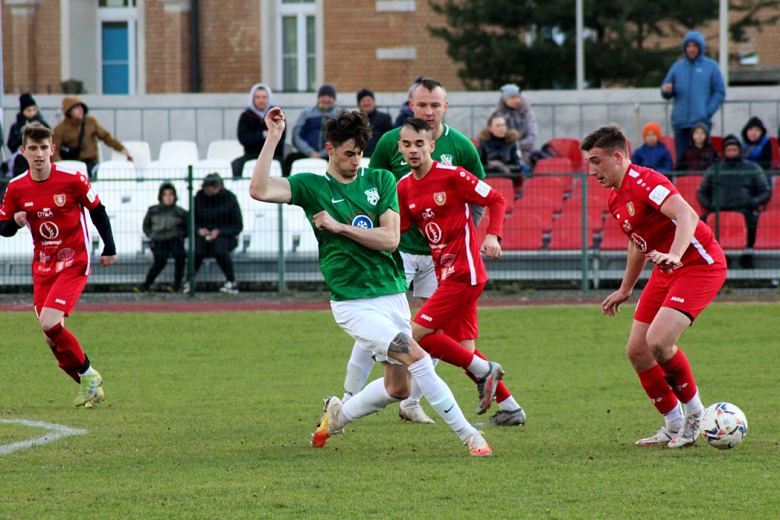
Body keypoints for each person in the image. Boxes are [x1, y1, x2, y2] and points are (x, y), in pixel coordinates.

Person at [250, 107, 493, 456]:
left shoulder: (380, 180)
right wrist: (274, 136)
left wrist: (339, 227)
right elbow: (258, 189)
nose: (355, 161)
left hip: (392, 295)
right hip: (353, 303)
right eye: (349, 153)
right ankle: (471, 438)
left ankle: (336, 417)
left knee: (399, 389)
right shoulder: (311, 185)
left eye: (360, 153)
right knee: (418, 357)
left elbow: (390, 239)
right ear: (330, 149)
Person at [343, 78, 487, 424]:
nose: (429, 111)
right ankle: (348, 396)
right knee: (378, 320)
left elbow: (480, 200)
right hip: (399, 251)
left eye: (435, 105)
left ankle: (413, 400)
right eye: (422, 105)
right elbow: (372, 192)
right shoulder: (391, 142)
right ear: (411, 105)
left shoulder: (462, 147)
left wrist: (459, 239)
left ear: (445, 107)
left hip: (442, 258)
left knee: (431, 329)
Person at [582, 124, 727, 448]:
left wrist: (675, 253)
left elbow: (687, 215)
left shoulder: (646, 181)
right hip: (666, 270)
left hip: (699, 266)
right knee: (637, 350)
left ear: (618, 157)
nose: (591, 171)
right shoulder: (615, 198)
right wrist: (625, 288)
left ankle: (694, 416)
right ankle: (672, 422)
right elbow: (638, 243)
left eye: (596, 161)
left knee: (659, 342)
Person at [398, 118, 526, 427]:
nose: (413, 150)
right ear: (400, 148)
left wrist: (493, 235)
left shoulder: (453, 175)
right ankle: (510, 409)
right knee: (465, 349)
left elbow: (496, 198)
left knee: (418, 337)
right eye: (407, 144)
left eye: (419, 144)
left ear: (431, 146)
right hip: (446, 274)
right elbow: (398, 233)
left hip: (465, 272)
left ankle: (486, 371)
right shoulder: (403, 187)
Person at [0, 123, 116, 408]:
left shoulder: (73, 180)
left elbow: (98, 210)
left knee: (49, 323)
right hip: (42, 265)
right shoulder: (16, 187)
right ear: (23, 151)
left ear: (52, 149)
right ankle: (89, 384)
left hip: (74, 260)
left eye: (43, 148)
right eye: (33, 148)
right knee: (52, 339)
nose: (38, 154)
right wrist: (14, 224)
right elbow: (2, 226)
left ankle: (89, 376)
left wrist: (109, 247)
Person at [698, 134, 772, 267]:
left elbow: (765, 191)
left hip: (744, 210)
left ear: (739, 151)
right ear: (724, 152)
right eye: (728, 150)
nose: (731, 153)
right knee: (700, 224)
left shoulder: (753, 168)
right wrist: (711, 205)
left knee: (755, 224)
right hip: (718, 210)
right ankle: (714, 258)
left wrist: (751, 203)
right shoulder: (714, 169)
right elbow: (702, 192)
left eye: (734, 150)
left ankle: (747, 256)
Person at [661, 31, 726, 163]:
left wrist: (707, 111)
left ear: (700, 48)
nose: (691, 49)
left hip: (701, 122)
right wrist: (667, 90)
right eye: (688, 46)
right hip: (680, 122)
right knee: (682, 160)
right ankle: (681, 184)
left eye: (694, 46)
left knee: (702, 159)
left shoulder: (711, 67)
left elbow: (719, 91)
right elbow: (666, 90)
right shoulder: (677, 67)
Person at [188, 173, 243, 294]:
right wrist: (199, 230)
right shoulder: (197, 199)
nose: (209, 191)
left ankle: (231, 281)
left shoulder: (230, 199)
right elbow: (190, 221)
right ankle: (189, 281)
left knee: (219, 248)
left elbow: (237, 225)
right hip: (202, 237)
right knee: (197, 249)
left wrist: (220, 231)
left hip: (225, 237)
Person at [52, 96, 132, 179]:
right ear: (69, 111)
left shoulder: (91, 122)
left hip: (90, 161)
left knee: (95, 175)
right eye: (77, 108)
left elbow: (105, 136)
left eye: (82, 108)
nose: (81, 110)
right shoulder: (60, 129)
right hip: (72, 163)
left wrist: (121, 148)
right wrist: (60, 166)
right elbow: (55, 149)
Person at [136, 182, 188, 293]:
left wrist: (180, 234)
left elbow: (187, 228)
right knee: (160, 259)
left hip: (175, 238)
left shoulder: (180, 212)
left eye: (171, 195)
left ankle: (177, 284)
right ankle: (146, 284)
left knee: (180, 256)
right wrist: (152, 235)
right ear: (161, 196)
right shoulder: (153, 211)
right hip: (159, 239)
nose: (168, 198)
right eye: (165, 195)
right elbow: (146, 226)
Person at [283, 84, 340, 176]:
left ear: (334, 99)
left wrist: (323, 153)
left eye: (329, 97)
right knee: (290, 158)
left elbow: (341, 138)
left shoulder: (340, 116)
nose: (326, 100)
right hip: (306, 153)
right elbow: (296, 136)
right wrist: (310, 152)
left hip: (330, 155)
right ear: (318, 98)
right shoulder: (306, 113)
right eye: (323, 96)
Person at [232, 84, 286, 178]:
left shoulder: (277, 115)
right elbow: (243, 138)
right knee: (236, 165)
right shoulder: (246, 116)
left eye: (264, 97)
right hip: (252, 154)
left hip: (273, 154)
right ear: (253, 99)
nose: (261, 100)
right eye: (257, 97)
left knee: (285, 166)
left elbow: (280, 139)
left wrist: (265, 139)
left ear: (269, 98)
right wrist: (262, 135)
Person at [7, 93, 51, 178]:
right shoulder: (16, 126)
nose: (32, 113)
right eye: (29, 110)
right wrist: (22, 137)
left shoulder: (42, 124)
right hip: (22, 155)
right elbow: (11, 144)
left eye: (34, 110)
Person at [493, 84, 538, 160]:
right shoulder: (497, 115)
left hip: (524, 151)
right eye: (512, 98)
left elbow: (531, 135)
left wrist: (515, 146)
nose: (516, 100)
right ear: (505, 100)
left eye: (518, 97)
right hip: (501, 152)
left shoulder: (527, 114)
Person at [357, 88, 393, 158]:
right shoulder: (355, 120)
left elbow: (389, 140)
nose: (366, 103)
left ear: (374, 102)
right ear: (359, 104)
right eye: (363, 101)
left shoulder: (384, 118)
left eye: (369, 100)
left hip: (379, 158)